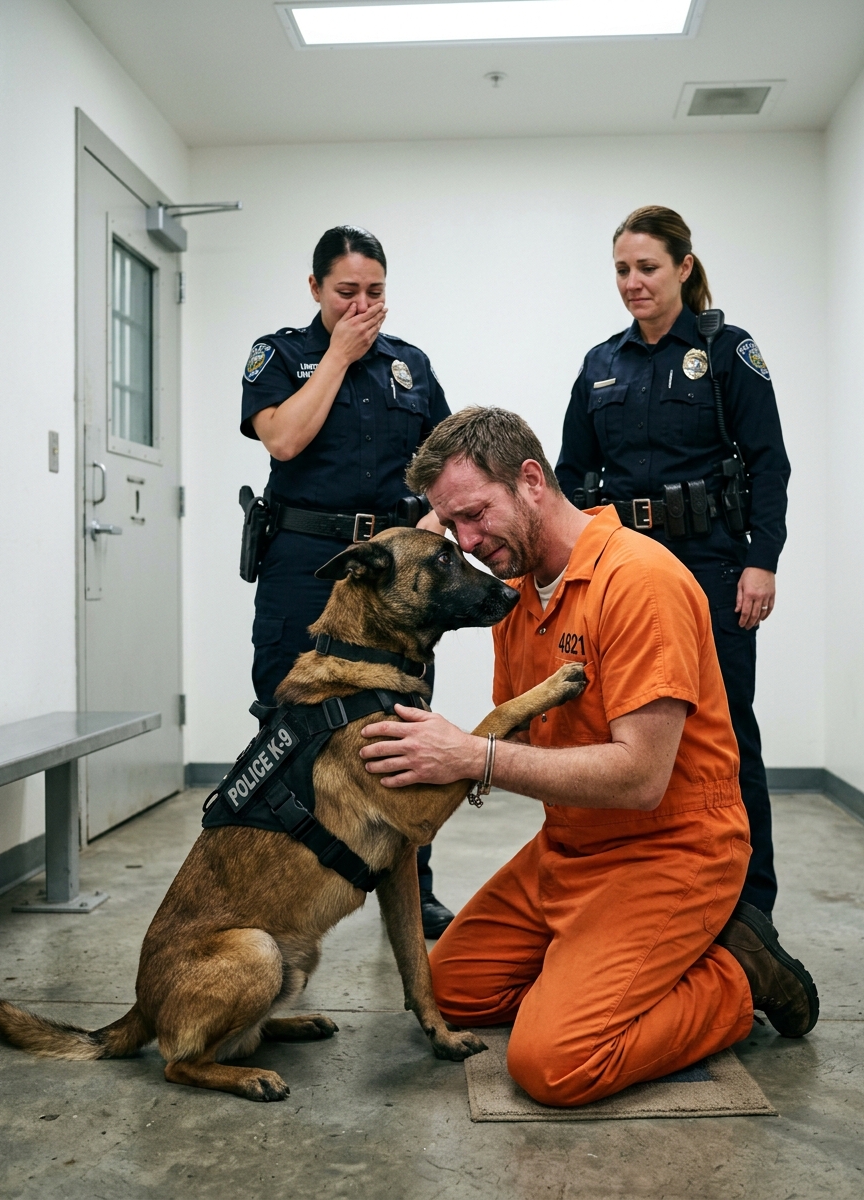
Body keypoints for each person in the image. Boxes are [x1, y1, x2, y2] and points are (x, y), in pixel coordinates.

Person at [356, 406, 817, 1107]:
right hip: (571, 847)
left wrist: (471, 756)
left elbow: (640, 777)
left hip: (671, 850)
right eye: (452, 526)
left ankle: (738, 975)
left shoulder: (638, 581)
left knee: (554, 1063)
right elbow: (518, 740)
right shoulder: (517, 596)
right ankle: (604, 970)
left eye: (476, 515)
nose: (469, 542)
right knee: (444, 990)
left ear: (531, 480)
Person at [555, 206, 789, 921]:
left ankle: (750, 909)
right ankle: (643, 892)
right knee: (626, 731)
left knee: (727, 733)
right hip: (624, 573)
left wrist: (762, 561)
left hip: (712, 568)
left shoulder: (726, 352)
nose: (634, 282)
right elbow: (570, 478)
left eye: (648, 267)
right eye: (622, 270)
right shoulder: (600, 364)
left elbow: (768, 463)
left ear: (684, 268)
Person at [239, 225, 454, 938]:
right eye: (346, 292)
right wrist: (337, 355)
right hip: (306, 562)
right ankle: (272, 890)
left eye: (375, 292)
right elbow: (283, 440)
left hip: (391, 574)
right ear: (315, 288)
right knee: (287, 723)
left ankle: (413, 892)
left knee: (403, 723)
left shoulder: (409, 365)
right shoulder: (281, 356)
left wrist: (435, 521)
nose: (362, 306)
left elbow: (447, 463)